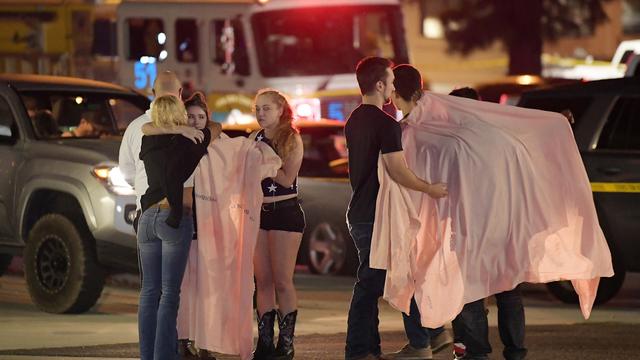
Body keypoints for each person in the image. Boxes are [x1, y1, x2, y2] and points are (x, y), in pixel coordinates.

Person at [343, 57, 448, 360]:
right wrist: (430, 188)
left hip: (360, 212)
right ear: (379, 85)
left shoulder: (354, 120)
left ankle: (415, 342)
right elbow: (397, 171)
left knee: (395, 278)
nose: (392, 86)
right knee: (371, 286)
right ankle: (361, 350)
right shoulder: (386, 124)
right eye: (389, 81)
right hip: (377, 216)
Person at [446, 86, 527, 360]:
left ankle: (476, 352)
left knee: (471, 295)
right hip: (506, 226)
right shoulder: (505, 138)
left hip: (471, 228)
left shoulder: (454, 142)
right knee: (509, 293)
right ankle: (515, 352)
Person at [381, 64, 453, 360]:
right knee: (423, 274)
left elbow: (399, 174)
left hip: (413, 210)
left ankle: (420, 342)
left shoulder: (404, 131)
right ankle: (437, 333)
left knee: (408, 275)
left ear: (396, 95)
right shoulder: (440, 125)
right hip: (438, 209)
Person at [137, 94, 214, 360]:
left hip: (146, 218)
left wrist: (177, 127)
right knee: (169, 296)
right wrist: (187, 129)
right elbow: (212, 130)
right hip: (171, 218)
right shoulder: (189, 140)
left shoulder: (148, 139)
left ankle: (148, 356)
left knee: (149, 292)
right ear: (179, 117)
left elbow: (147, 128)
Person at [250, 89, 305, 360]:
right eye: (258, 108)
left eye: (266, 108)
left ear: (281, 109)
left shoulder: (291, 137)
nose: (261, 113)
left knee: (283, 280)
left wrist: (264, 164)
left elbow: (286, 178)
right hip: (259, 212)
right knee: (263, 280)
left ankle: (286, 344)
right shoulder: (254, 138)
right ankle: (264, 343)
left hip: (285, 211)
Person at [118, 71, 201, 231]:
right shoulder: (190, 130)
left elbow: (126, 171)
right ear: (180, 93)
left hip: (145, 212)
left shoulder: (135, 127)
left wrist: (143, 186)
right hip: (178, 214)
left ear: (153, 93)